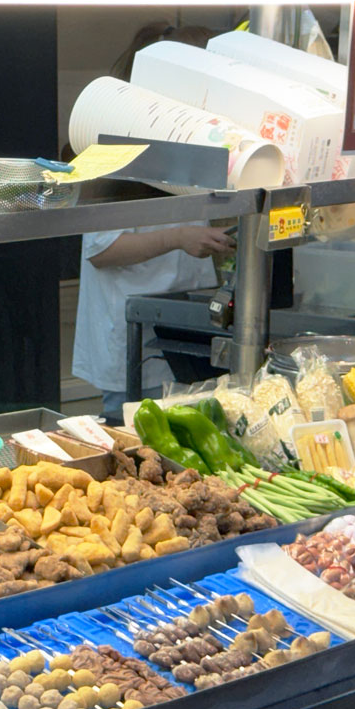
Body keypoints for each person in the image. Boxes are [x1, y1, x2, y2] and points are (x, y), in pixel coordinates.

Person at [72, 22, 235, 422]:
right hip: (133, 344)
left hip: (189, 334)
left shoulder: (192, 137)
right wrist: (180, 237)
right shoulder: (105, 143)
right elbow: (102, 249)